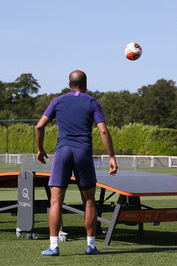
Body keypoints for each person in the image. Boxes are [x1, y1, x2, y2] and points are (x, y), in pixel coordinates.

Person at [36, 70, 118, 256]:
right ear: (86, 84)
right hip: (83, 153)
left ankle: (54, 246)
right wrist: (112, 157)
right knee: (89, 200)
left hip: (63, 152)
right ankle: (90, 245)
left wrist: (40, 149)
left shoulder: (58, 101)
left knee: (56, 200)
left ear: (69, 84)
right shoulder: (93, 102)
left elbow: (39, 126)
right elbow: (103, 131)